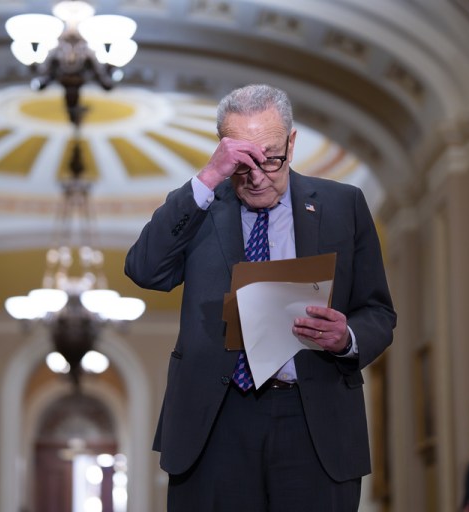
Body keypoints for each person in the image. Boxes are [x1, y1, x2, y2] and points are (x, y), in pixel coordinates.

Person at [125, 84, 396, 511]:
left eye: (270, 157)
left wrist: (347, 338)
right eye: (242, 162)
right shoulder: (204, 205)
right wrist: (209, 177)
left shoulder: (343, 205)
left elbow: (378, 312)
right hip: (216, 421)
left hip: (313, 419)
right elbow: (145, 269)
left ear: (291, 143)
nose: (256, 176)